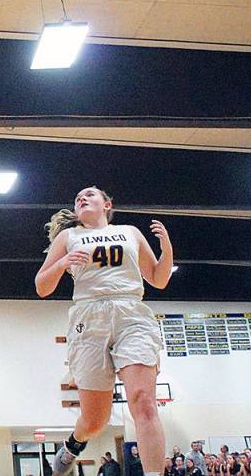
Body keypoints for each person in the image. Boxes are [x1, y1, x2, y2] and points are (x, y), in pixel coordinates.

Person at [36, 188, 173, 476]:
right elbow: (42, 287)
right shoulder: (68, 237)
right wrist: (62, 262)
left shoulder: (130, 232)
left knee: (144, 402)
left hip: (131, 313)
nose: (82, 199)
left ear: (107, 204)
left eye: (89, 195)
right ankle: (74, 444)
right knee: (96, 420)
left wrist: (167, 249)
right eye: (77, 198)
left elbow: (158, 279)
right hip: (89, 316)